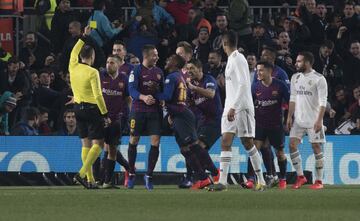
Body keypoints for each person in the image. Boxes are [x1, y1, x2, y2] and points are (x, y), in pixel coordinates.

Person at [207, 30, 266, 191]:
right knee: (225, 142)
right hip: (230, 107)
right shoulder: (231, 60)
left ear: (224, 43)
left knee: (247, 143)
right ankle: (223, 182)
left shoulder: (239, 59)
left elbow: (243, 85)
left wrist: (234, 106)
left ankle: (261, 179)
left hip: (241, 107)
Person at [156, 54, 213, 190]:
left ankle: (213, 174)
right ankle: (203, 177)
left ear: (174, 63)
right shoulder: (180, 77)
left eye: (169, 59)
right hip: (179, 114)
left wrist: (154, 93)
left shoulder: (172, 77)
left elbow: (167, 97)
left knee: (193, 146)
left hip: (181, 115)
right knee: (185, 149)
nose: (167, 60)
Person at [70, 26, 110, 189]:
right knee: (98, 145)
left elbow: (73, 51)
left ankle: (90, 180)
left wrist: (84, 36)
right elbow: (98, 95)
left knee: (85, 144)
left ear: (80, 56)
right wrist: (105, 113)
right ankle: (81, 174)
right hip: (92, 110)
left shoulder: (73, 66)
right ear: (92, 56)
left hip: (78, 109)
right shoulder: (92, 72)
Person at [287, 51, 328, 190]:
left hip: (314, 120)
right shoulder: (295, 77)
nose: (296, 63)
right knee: (292, 145)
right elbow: (292, 98)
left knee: (316, 148)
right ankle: (301, 177)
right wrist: (289, 117)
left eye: (299, 61)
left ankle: (319, 181)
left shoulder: (319, 78)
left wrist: (319, 121)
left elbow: (323, 102)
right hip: (298, 120)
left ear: (308, 62)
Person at [127, 44, 163, 190]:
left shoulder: (159, 71)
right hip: (138, 110)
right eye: (155, 55)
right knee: (134, 140)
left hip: (154, 111)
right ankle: (131, 173)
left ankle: (149, 175)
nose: (157, 57)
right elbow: (131, 90)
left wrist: (159, 95)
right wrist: (143, 97)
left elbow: (162, 91)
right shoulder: (135, 71)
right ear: (146, 56)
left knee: (155, 142)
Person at [249, 61, 290, 189]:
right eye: (257, 70)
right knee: (255, 149)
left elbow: (290, 102)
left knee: (280, 153)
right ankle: (253, 178)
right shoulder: (255, 87)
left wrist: (288, 119)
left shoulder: (280, 85)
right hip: (260, 124)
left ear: (269, 71)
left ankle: (282, 178)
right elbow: (250, 104)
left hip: (275, 125)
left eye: (261, 70)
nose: (258, 73)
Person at [99, 54, 132, 188]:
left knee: (111, 149)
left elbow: (128, 99)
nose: (108, 65)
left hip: (116, 120)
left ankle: (106, 181)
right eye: (107, 62)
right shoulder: (100, 77)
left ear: (118, 65)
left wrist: (129, 115)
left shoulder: (124, 79)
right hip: (101, 119)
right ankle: (97, 178)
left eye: (112, 62)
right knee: (99, 148)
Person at [186, 58, 221, 180]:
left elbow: (211, 94)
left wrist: (193, 88)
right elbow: (190, 104)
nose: (189, 71)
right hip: (201, 121)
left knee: (199, 146)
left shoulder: (209, 80)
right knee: (192, 149)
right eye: (188, 68)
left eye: (192, 68)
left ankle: (215, 174)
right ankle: (198, 178)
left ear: (200, 69)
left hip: (215, 121)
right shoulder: (191, 86)